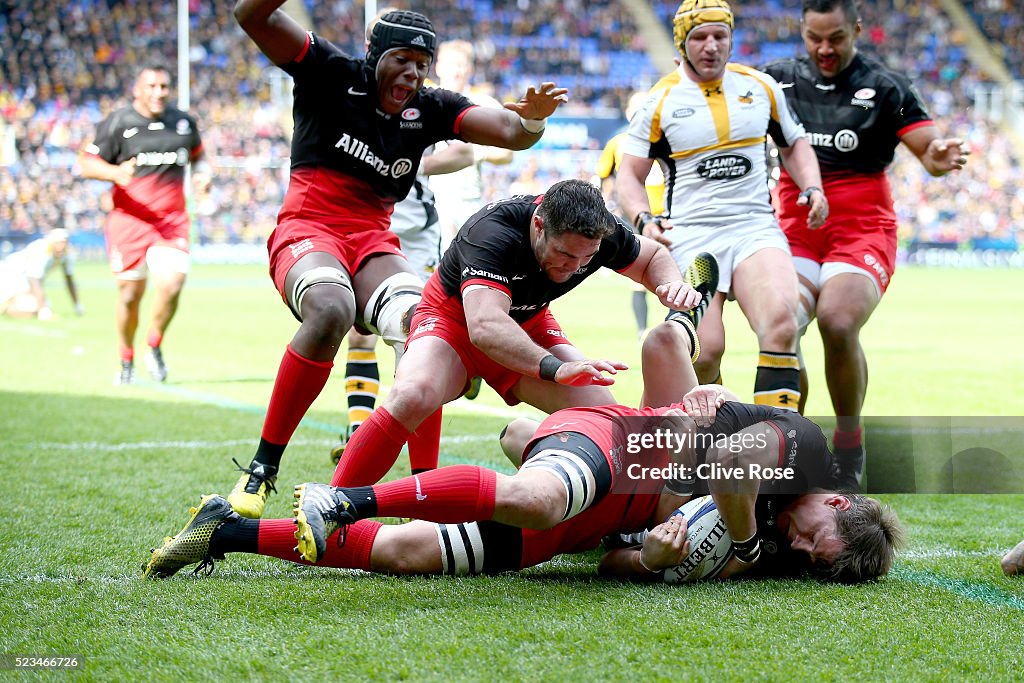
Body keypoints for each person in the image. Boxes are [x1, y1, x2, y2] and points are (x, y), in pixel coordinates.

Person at [144, 319, 903, 584]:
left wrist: (654, 562)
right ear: (837, 499)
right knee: (538, 491)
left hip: (597, 520)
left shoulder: (776, 546)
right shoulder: (802, 450)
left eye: (806, 557)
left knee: (409, 554)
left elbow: (617, 565)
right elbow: (736, 469)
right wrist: (735, 539)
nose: (795, 545)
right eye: (813, 536)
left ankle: (228, 530)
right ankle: (347, 498)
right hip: (616, 446)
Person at [225, 1, 570, 519]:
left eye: (421, 64)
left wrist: (533, 120)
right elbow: (251, 17)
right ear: (374, 55)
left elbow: (508, 133)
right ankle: (262, 468)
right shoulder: (331, 73)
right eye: (402, 59)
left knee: (425, 331)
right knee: (332, 310)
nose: (412, 73)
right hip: (308, 227)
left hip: (374, 241)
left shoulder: (427, 108)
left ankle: (423, 487)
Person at [327, 178, 707, 490]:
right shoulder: (493, 232)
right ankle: (332, 503)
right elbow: (485, 327)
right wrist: (555, 368)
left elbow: (654, 256)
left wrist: (669, 285)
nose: (574, 268)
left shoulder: (596, 233)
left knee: (606, 423)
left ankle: (617, 519)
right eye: (564, 254)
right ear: (539, 225)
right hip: (452, 321)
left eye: (586, 259)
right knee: (413, 395)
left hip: (528, 324)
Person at [761, 0, 970, 490]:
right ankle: (800, 450)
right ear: (802, 31)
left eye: (836, 37)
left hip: (861, 225)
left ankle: (850, 447)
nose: (825, 48)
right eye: (815, 38)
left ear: (856, 29)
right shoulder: (774, 80)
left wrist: (939, 155)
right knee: (781, 325)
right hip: (793, 221)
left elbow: (931, 153)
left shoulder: (888, 86)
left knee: (837, 321)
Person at [617, 0, 829, 419]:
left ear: (732, 40)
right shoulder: (659, 102)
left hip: (754, 226)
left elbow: (795, 142)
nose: (711, 46)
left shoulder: (760, 87)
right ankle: (701, 442)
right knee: (705, 349)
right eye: (699, 37)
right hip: (692, 235)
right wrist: (644, 219)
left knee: (782, 325)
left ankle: (779, 448)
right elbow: (629, 175)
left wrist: (814, 186)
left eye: (720, 36)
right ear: (682, 43)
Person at [332, 142, 476, 467]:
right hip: (372, 233)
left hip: (417, 237)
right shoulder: (356, 110)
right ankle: (358, 431)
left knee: (423, 336)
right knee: (359, 335)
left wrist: (410, 163)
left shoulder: (424, 111)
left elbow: (465, 154)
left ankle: (420, 463)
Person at [80, 64, 210, 386]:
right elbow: (84, 162)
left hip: (171, 222)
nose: (158, 92)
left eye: (164, 86)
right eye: (151, 86)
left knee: (172, 284)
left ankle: (154, 344)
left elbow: (199, 156)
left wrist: (203, 177)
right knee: (129, 296)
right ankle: (126, 357)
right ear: (137, 89)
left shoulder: (182, 123)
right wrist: (114, 174)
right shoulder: (119, 123)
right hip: (129, 222)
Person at [428, 39, 514, 251]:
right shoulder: (425, 101)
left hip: (469, 199)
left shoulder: (484, 104)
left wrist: (475, 153)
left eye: (461, 65)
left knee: (468, 265)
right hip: (432, 199)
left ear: (471, 69)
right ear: (438, 67)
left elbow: (507, 154)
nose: (456, 71)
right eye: (451, 65)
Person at [596, 91, 667, 341]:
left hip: (670, 218)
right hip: (636, 220)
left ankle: (680, 331)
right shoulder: (617, 143)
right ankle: (642, 331)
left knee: (677, 275)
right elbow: (604, 177)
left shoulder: (667, 139)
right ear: (628, 113)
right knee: (640, 277)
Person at [0, 229, 82, 320]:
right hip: (10, 273)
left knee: (40, 306)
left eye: (64, 243)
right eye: (59, 243)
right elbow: (34, 280)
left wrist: (77, 305)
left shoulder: (67, 254)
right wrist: (43, 310)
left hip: (24, 278)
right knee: (35, 308)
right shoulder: (41, 250)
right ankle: (5, 307)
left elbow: (69, 280)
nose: (61, 246)